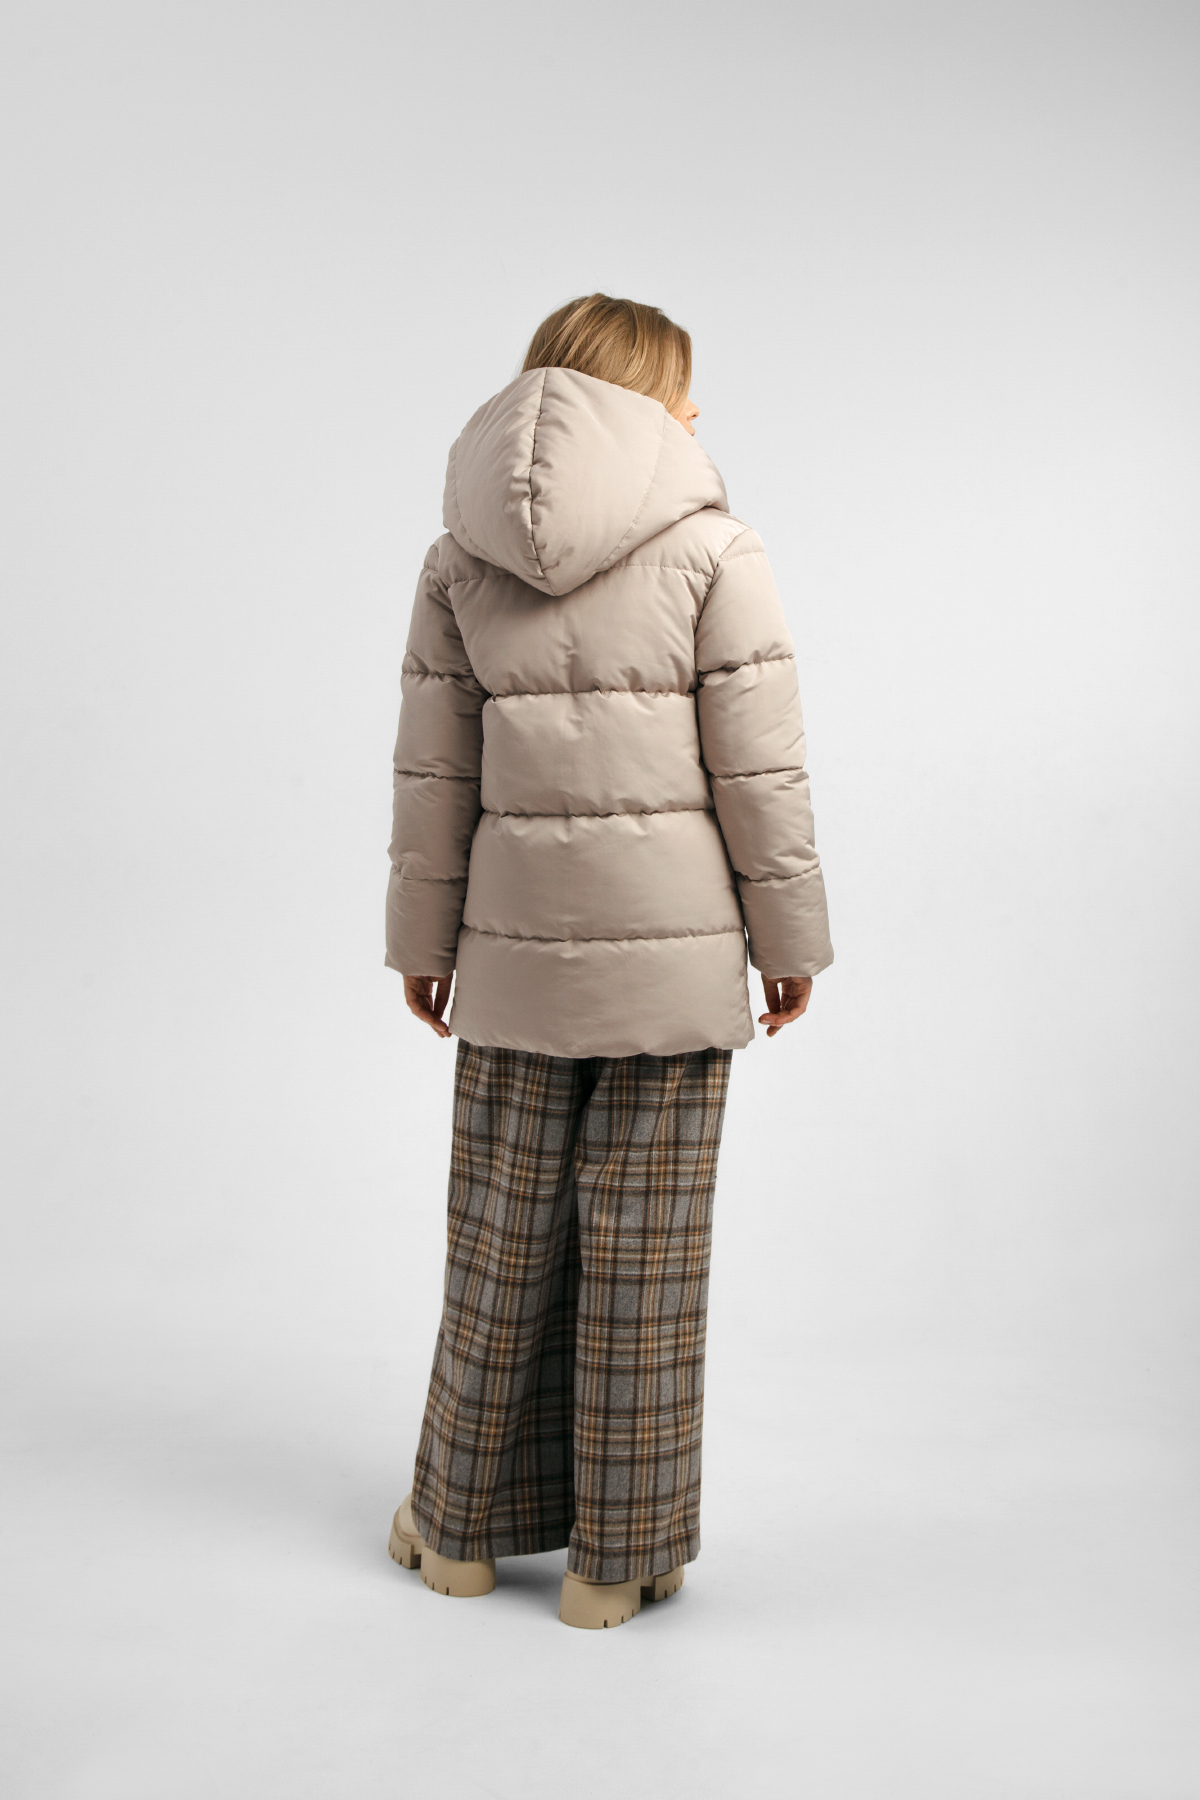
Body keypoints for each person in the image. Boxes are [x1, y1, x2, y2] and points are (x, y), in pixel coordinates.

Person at [383, 294, 833, 1629]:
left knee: (498, 1244)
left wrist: (421, 944)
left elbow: (433, 777)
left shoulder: (459, 557)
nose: (697, 412)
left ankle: (457, 1533)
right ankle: (615, 1562)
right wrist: (790, 942)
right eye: (682, 390)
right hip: (674, 976)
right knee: (647, 1260)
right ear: (646, 401)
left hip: (510, 966)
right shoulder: (716, 546)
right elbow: (761, 775)